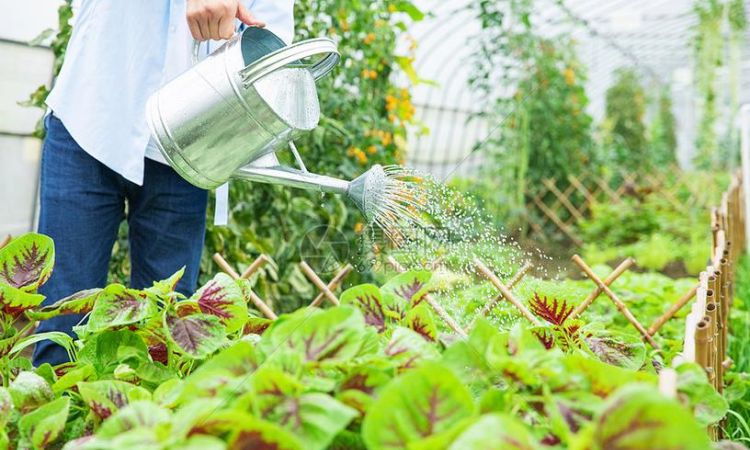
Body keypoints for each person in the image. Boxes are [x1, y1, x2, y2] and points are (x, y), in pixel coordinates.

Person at [33, 0, 294, 366]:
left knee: (164, 345)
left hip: (188, 147)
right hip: (91, 114)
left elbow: (274, 49)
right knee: (59, 327)